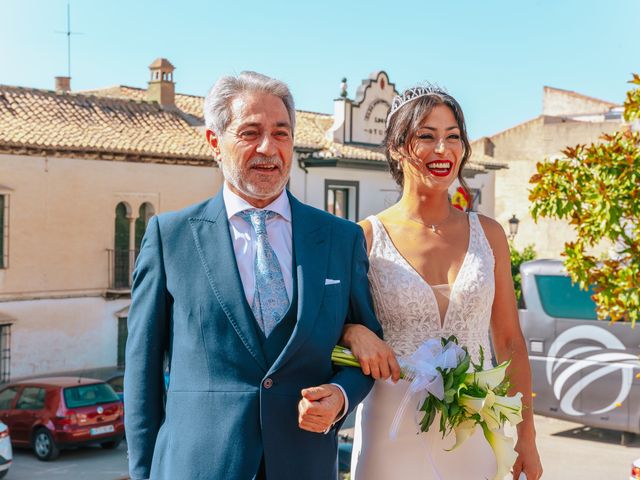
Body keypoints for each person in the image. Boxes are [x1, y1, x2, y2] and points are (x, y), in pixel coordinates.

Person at [124, 71, 382, 480]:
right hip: (196, 468)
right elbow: (142, 374)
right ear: (214, 143)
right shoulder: (169, 237)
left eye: (281, 133)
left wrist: (341, 396)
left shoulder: (341, 238)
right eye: (250, 132)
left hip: (305, 465)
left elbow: (368, 356)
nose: (269, 148)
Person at [341, 85, 543, 480]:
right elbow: (334, 328)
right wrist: (351, 332)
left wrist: (527, 435)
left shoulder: (491, 235)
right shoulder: (363, 237)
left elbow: (509, 342)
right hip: (391, 428)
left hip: (475, 433)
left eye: (453, 136)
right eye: (426, 136)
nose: (443, 149)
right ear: (398, 147)